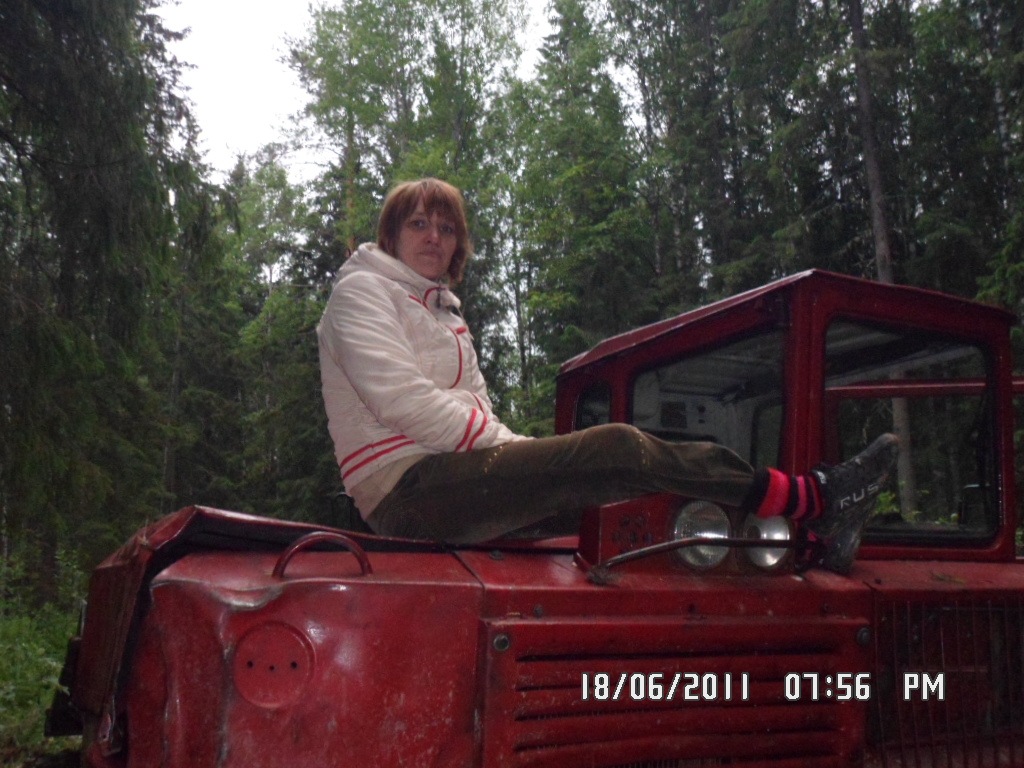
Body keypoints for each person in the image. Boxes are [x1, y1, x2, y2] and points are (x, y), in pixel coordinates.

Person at [317, 178, 898, 574]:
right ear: (390, 235)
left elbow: (478, 411)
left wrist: (516, 449)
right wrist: (514, 449)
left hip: (451, 477)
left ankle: (813, 542)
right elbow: (401, 400)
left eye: (446, 229)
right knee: (616, 448)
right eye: (419, 224)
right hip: (405, 490)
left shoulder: (446, 315)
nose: (433, 237)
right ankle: (813, 497)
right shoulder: (362, 292)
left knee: (631, 508)